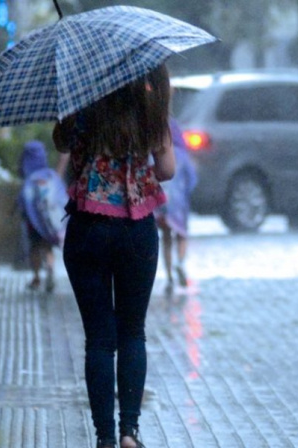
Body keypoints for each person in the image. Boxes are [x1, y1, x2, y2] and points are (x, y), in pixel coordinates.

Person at [53, 64, 175, 448]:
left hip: (88, 229)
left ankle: (104, 437)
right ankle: (129, 431)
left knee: (100, 339)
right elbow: (168, 169)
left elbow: (61, 146)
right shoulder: (149, 107)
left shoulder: (82, 107)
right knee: (132, 331)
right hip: (135, 229)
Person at [155, 118, 198, 295]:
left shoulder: (159, 154)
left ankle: (170, 276)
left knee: (166, 238)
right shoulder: (183, 157)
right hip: (179, 204)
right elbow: (192, 181)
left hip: (161, 203)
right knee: (181, 235)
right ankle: (180, 262)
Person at [18, 140, 56, 292]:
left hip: (32, 221)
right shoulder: (48, 175)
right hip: (48, 221)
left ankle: (36, 278)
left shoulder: (28, 177)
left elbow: (24, 200)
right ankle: (50, 270)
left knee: (34, 247)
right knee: (48, 247)